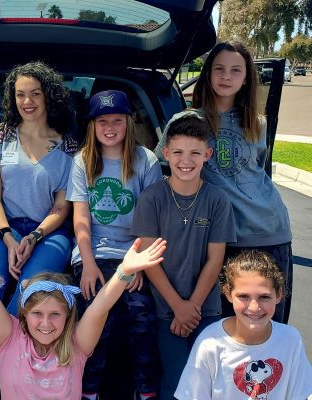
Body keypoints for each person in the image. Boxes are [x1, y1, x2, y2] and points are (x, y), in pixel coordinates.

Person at [0, 209, 166, 399]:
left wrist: (124, 271)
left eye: (55, 314)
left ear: (67, 315)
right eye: (37, 313)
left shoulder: (76, 344)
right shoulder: (11, 338)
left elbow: (99, 309)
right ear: (24, 314)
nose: (45, 323)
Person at [157, 42, 293, 323]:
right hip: (217, 239)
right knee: (224, 329)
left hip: (268, 232)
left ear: (246, 79)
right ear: (207, 73)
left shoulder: (257, 123)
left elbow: (257, 170)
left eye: (235, 70)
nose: (226, 76)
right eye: (219, 69)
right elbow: (161, 168)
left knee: (265, 327)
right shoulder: (185, 120)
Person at [0, 61, 77, 399]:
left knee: (27, 295)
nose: (27, 101)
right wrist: (9, 237)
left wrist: (34, 237)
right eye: (20, 95)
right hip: (4, 228)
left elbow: (62, 207)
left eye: (35, 94)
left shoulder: (69, 146)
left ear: (48, 96)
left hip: (49, 233)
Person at [130, 112, 237, 399]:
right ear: (166, 153)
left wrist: (192, 307)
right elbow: (149, 258)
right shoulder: (152, 198)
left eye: (195, 153)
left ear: (207, 155)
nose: (185, 160)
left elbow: (216, 260)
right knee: (174, 381)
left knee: (209, 382)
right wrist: (178, 306)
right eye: (177, 152)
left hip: (206, 309)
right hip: (166, 309)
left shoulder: (217, 199)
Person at [66, 90, 162, 400]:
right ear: (92, 125)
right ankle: (88, 390)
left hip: (133, 252)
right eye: (102, 121)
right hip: (94, 253)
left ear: (128, 123)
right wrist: (88, 263)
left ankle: (146, 389)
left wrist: (140, 264)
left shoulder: (146, 160)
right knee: (97, 319)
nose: (110, 128)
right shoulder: (82, 160)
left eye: (117, 121)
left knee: (141, 318)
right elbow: (81, 219)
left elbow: (150, 218)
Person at [174, 250, 312, 399]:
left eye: (264, 297)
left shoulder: (291, 340)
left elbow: (300, 393)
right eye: (243, 296)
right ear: (228, 293)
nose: (254, 307)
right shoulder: (210, 344)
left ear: (278, 295)